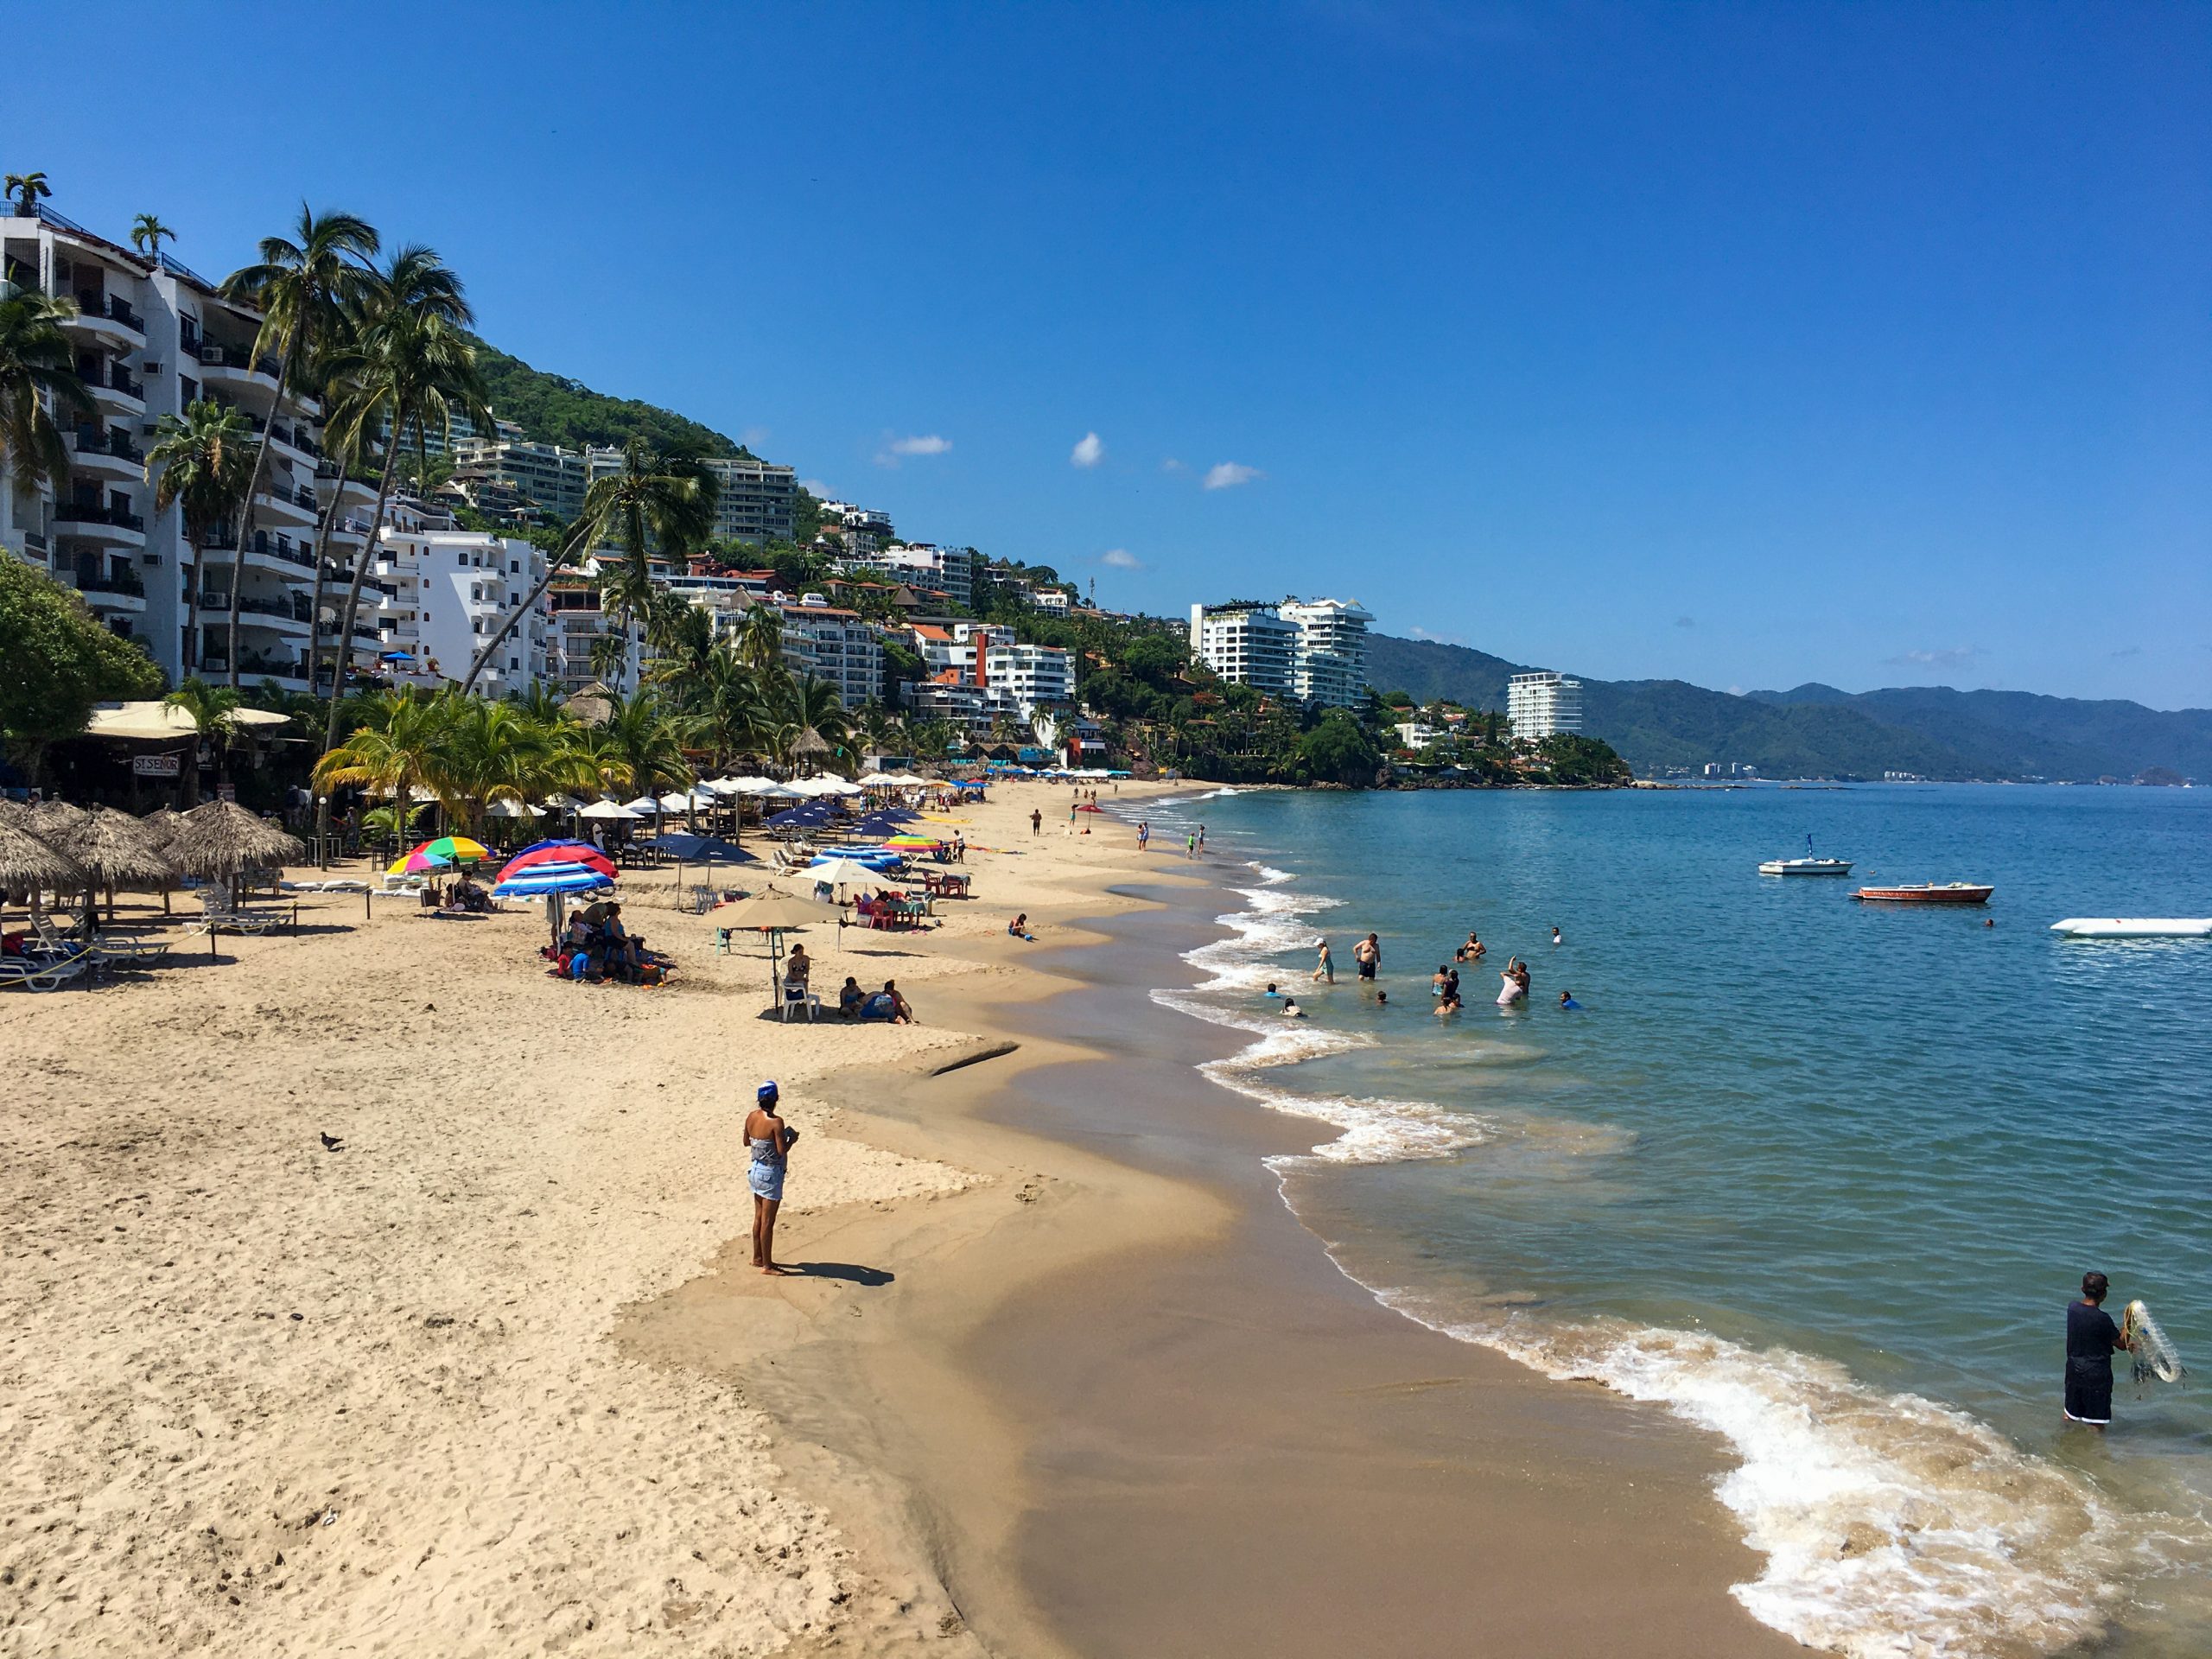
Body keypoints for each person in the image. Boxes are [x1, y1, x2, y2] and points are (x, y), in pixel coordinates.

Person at [2064, 1271, 2132, 1427]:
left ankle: (2064, 1442)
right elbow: (2122, 1344)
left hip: (2074, 1370)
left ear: (2082, 1289)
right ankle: (2095, 1451)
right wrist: (2128, 1322)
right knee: (2096, 1423)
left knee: (2070, 1415)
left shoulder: (2072, 1309)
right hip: (2096, 1375)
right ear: (2104, 1294)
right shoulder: (2103, 1319)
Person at [746, 1081, 798, 1274]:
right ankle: (767, 1266)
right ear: (776, 1098)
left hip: (755, 1170)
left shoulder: (751, 1117)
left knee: (758, 1218)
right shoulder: (776, 1122)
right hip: (770, 1174)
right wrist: (791, 1140)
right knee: (768, 1222)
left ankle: (757, 1257)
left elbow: (746, 1141)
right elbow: (780, 1150)